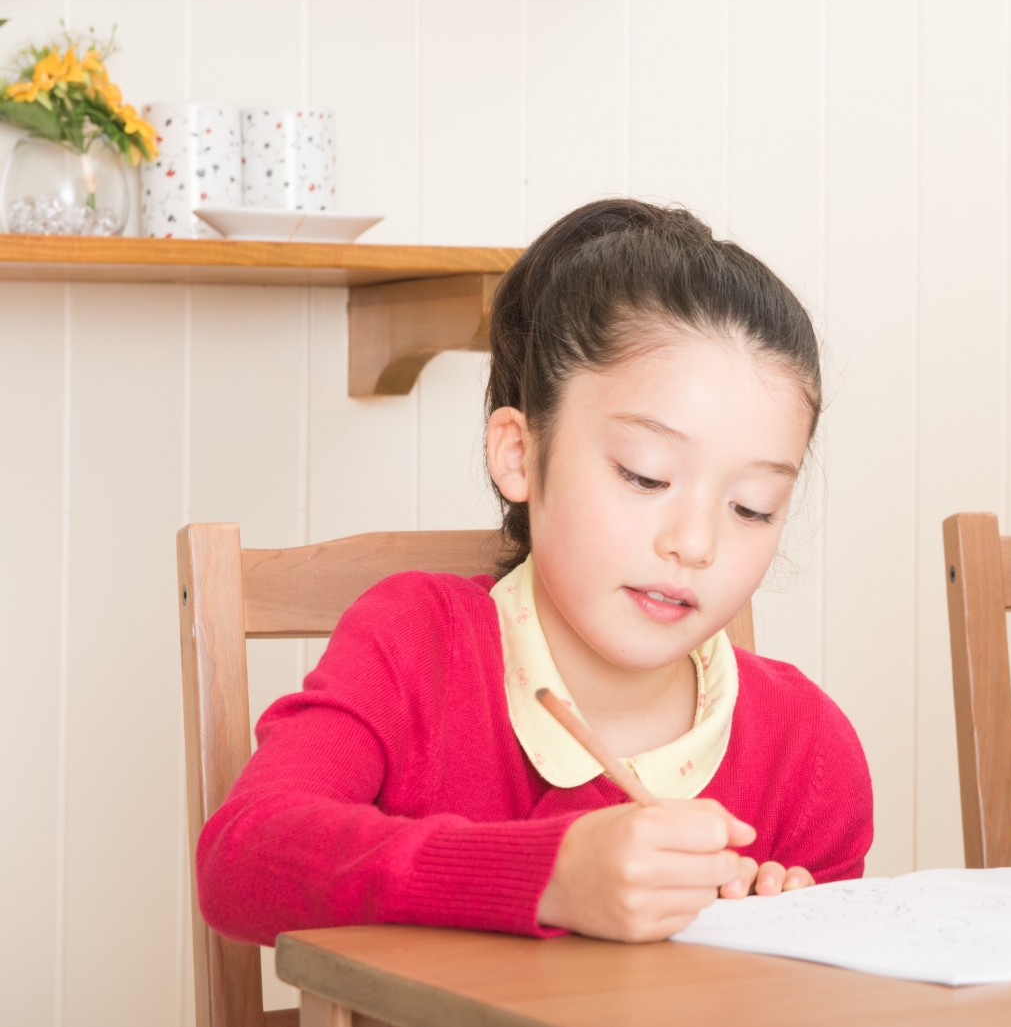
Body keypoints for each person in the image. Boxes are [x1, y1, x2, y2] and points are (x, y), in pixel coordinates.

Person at [199, 199, 872, 943]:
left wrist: (784, 945)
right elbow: (243, 859)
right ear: (519, 453)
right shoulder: (416, 642)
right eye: (646, 476)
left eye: (752, 507)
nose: (696, 543)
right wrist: (549, 875)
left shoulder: (806, 747)